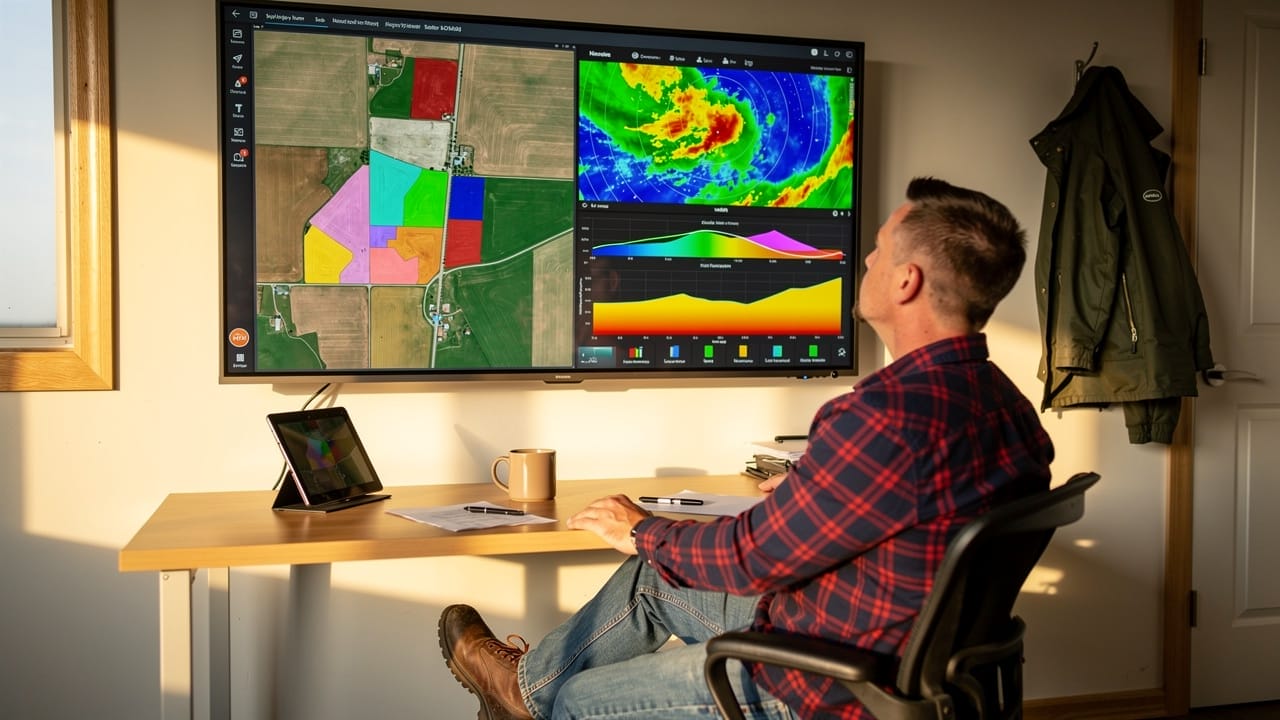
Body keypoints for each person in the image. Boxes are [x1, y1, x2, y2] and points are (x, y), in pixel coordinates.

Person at [437, 177, 1055, 720]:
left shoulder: (883, 416)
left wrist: (642, 529)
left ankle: (541, 700)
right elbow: (919, 513)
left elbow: (749, 560)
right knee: (651, 579)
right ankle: (524, 688)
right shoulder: (1007, 405)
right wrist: (817, 495)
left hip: (827, 681)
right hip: (891, 645)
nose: (863, 260)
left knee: (582, 700)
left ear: (905, 281)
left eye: (876, 251)